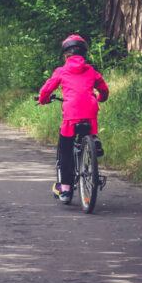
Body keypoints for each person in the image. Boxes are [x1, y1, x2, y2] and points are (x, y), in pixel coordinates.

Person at [37, 35, 109, 203]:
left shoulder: (61, 71)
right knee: (89, 126)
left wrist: (43, 100)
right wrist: (101, 98)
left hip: (71, 114)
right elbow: (104, 89)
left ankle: (66, 189)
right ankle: (94, 141)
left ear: (65, 55)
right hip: (90, 111)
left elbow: (46, 90)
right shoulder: (91, 70)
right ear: (84, 54)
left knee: (65, 149)